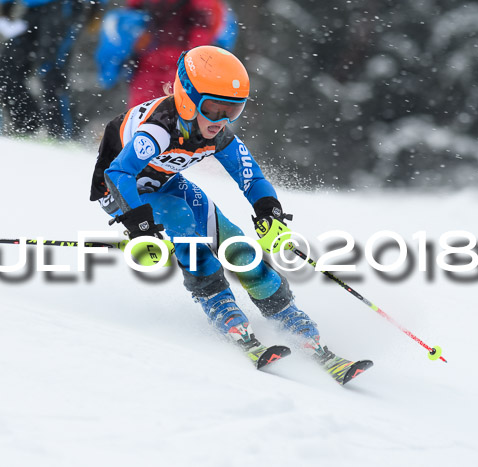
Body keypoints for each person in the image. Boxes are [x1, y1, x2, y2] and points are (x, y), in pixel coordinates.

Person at [89, 46, 372, 384]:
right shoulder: (159, 129)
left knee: (235, 241)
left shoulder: (217, 134)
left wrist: (269, 213)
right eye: (213, 109)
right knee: (181, 218)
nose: (220, 121)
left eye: (233, 110)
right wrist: (140, 227)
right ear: (188, 99)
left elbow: (251, 178)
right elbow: (119, 173)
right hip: (119, 189)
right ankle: (221, 305)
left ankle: (290, 317)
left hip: (165, 180)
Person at [0, 0, 101, 139]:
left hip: (64, 7)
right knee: (5, 72)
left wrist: (97, 5)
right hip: (32, 9)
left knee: (50, 71)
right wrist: (6, 4)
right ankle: (28, 127)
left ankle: (62, 135)